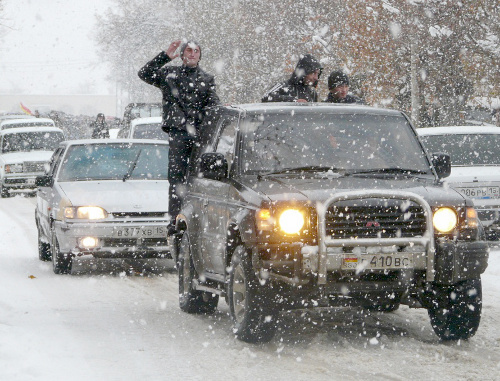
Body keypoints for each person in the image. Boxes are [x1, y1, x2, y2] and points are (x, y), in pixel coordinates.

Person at [138, 40, 220, 232]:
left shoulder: (207, 78)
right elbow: (144, 73)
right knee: (176, 179)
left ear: (200, 55)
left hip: (200, 135)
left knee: (201, 178)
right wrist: (165, 56)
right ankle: (175, 220)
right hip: (178, 133)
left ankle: (197, 219)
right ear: (182, 55)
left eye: (196, 51)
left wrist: (211, 118)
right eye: (189, 51)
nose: (192, 54)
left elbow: (214, 105)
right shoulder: (169, 74)